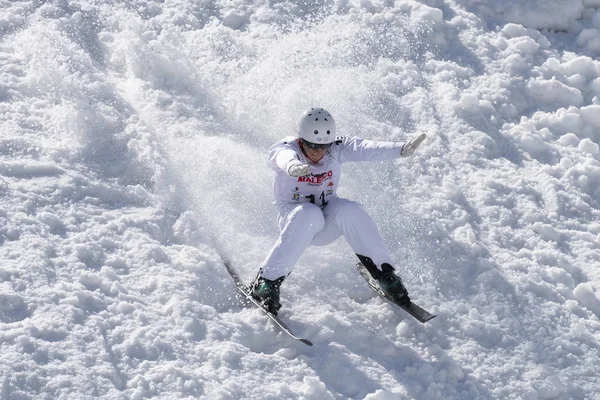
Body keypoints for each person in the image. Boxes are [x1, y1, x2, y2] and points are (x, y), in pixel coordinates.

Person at [251, 107, 426, 314]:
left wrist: (401, 149)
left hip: (327, 220)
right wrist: (291, 166)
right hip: (295, 221)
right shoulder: (287, 147)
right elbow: (282, 156)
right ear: (301, 140)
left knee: (349, 210)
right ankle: (267, 282)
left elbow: (366, 148)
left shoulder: (336, 148)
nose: (317, 151)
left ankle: (384, 274)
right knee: (309, 213)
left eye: (323, 146)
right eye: (311, 145)